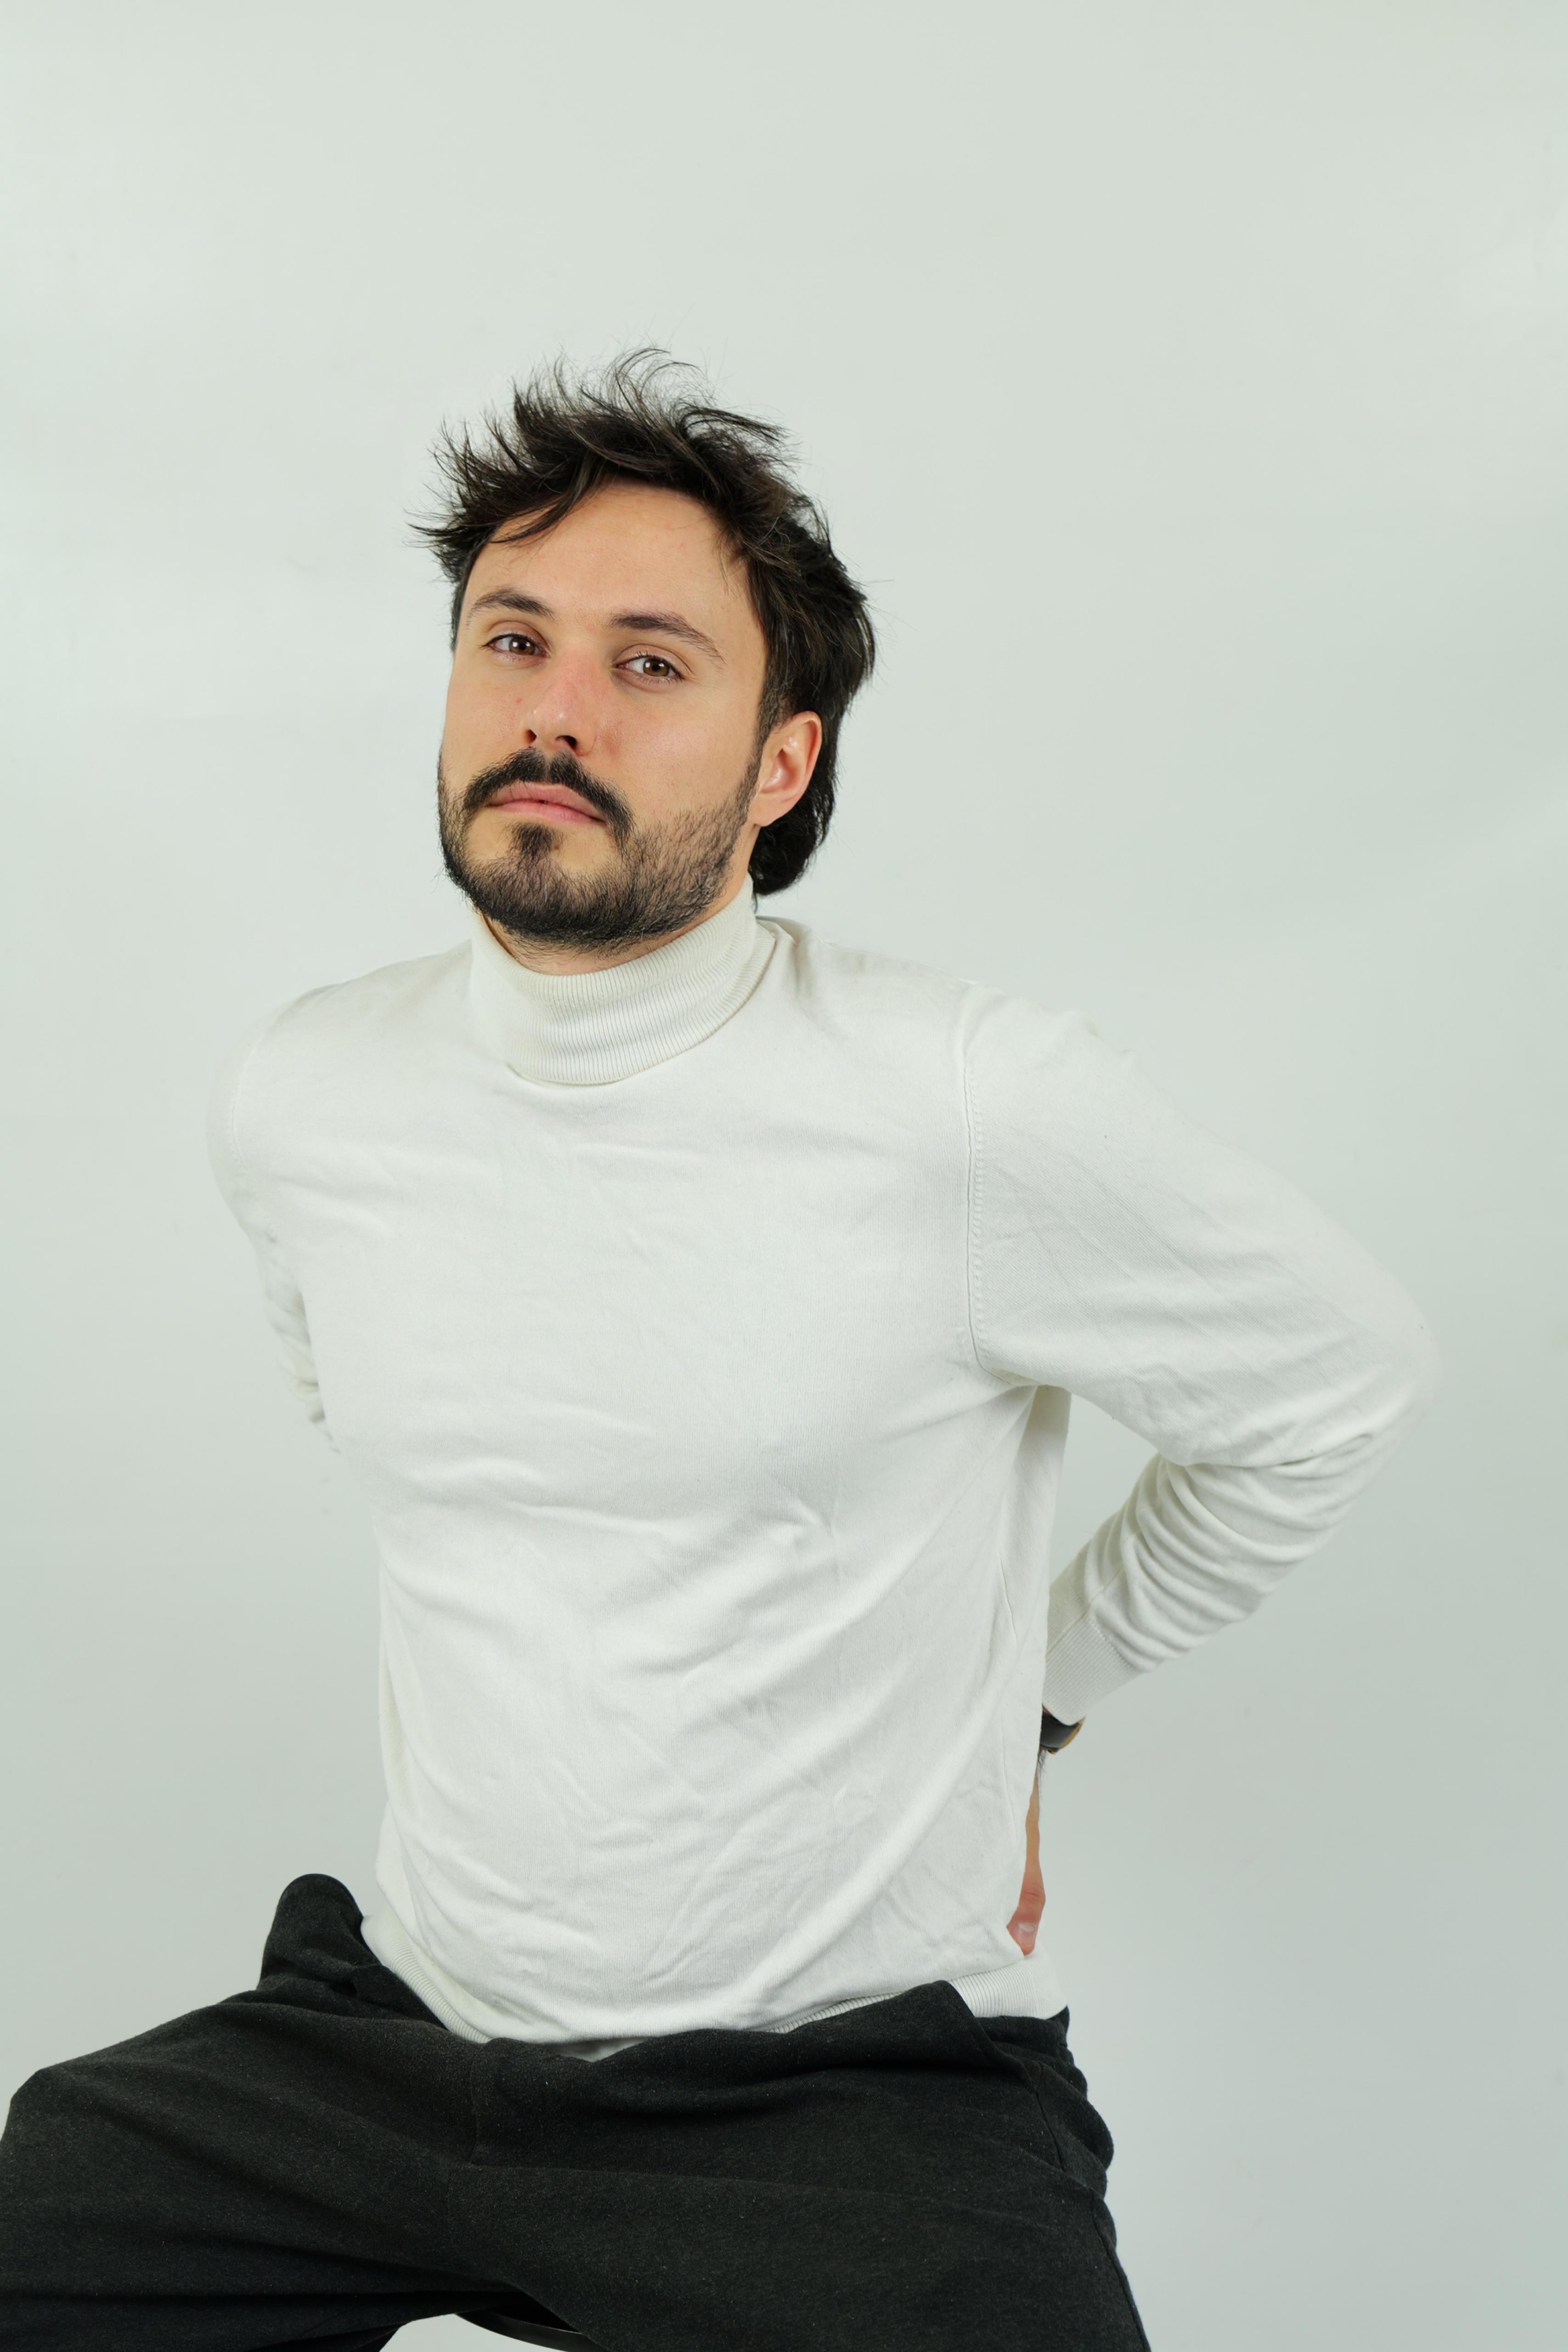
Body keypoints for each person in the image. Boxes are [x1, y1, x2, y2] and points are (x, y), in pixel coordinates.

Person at [0, 353, 1440, 2351]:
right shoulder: (304, 1096)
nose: (553, 707)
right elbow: (393, 1414)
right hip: (391, 2043)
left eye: (649, 662)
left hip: (833, 2094)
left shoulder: (959, 1102)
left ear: (780, 762)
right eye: (510, 639)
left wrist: (1040, 1693)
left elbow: (1327, 1380)